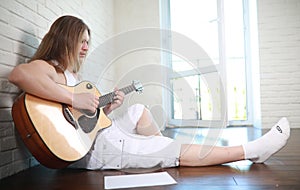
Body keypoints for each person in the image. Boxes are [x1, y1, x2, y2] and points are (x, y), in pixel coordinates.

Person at [8, 15, 291, 170]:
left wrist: (104, 110)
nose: (85, 47)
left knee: (138, 110)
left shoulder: (72, 76)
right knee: (165, 147)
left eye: (87, 42)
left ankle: (165, 152)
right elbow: (19, 75)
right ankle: (250, 151)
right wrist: (73, 97)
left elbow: (82, 120)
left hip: (96, 136)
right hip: (92, 151)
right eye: (81, 40)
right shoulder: (50, 68)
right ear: (65, 38)